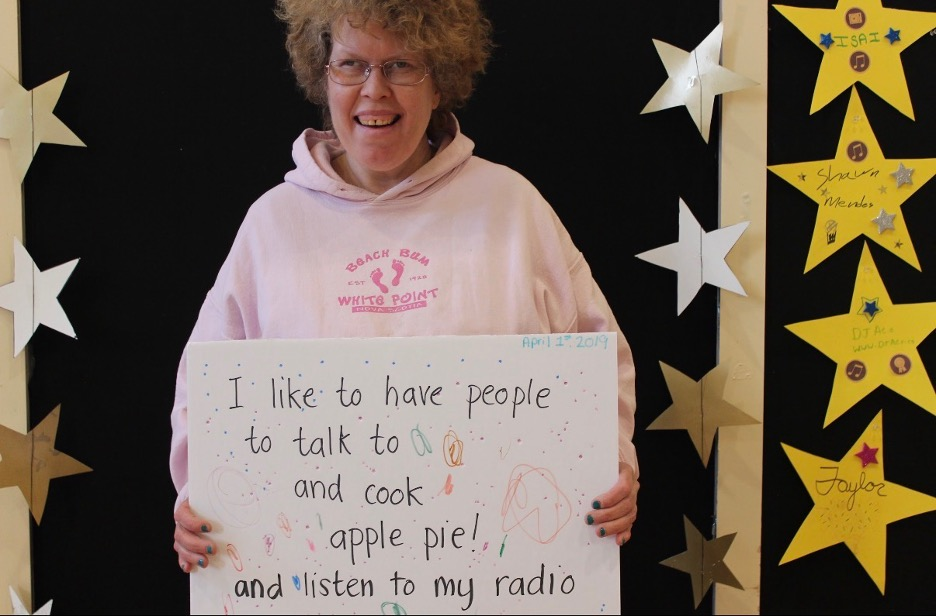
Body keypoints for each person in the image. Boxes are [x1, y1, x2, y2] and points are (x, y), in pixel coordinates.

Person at [170, 0, 638, 575]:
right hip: (318, 588)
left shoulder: (512, 209)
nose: (375, 91)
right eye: (351, 66)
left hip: (492, 586)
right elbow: (208, 389)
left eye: (401, 67)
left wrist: (612, 467)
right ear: (322, 74)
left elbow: (598, 361)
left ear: (440, 82)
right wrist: (198, 499)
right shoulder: (271, 226)